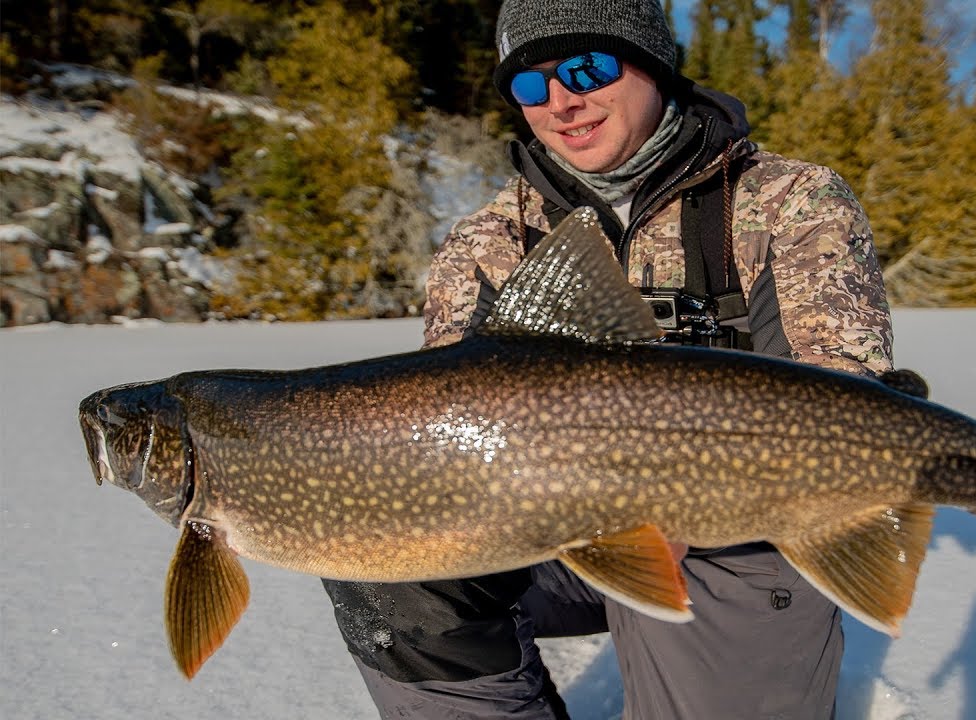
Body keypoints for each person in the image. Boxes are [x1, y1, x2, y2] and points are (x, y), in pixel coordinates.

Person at [322, 0, 894, 717]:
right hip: (542, 530)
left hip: (742, 521)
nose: (562, 101)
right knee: (385, 569)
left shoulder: (789, 203)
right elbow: (456, 434)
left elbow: (842, 400)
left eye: (586, 67)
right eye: (531, 86)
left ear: (651, 61)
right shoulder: (485, 243)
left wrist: (673, 502)